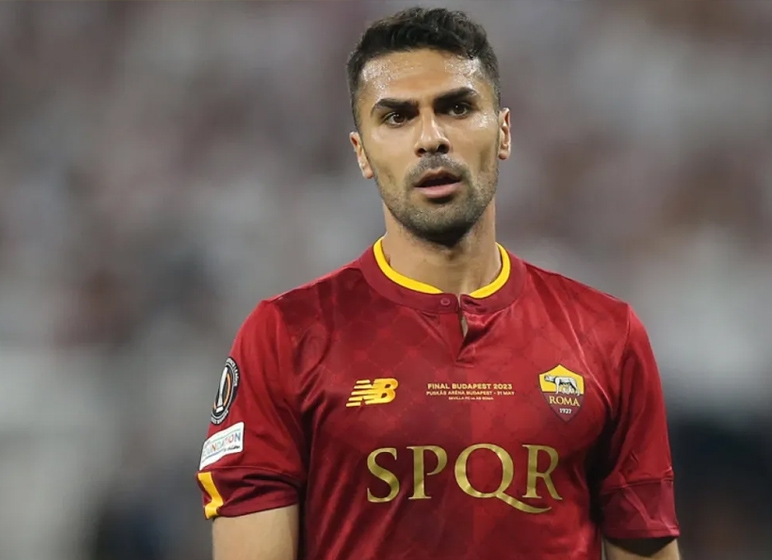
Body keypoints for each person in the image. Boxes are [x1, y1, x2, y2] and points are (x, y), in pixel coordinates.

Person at [195, 6, 680, 560]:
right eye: (397, 117)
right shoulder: (286, 337)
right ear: (362, 154)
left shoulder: (605, 336)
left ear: (503, 132)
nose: (431, 138)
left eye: (456, 107)